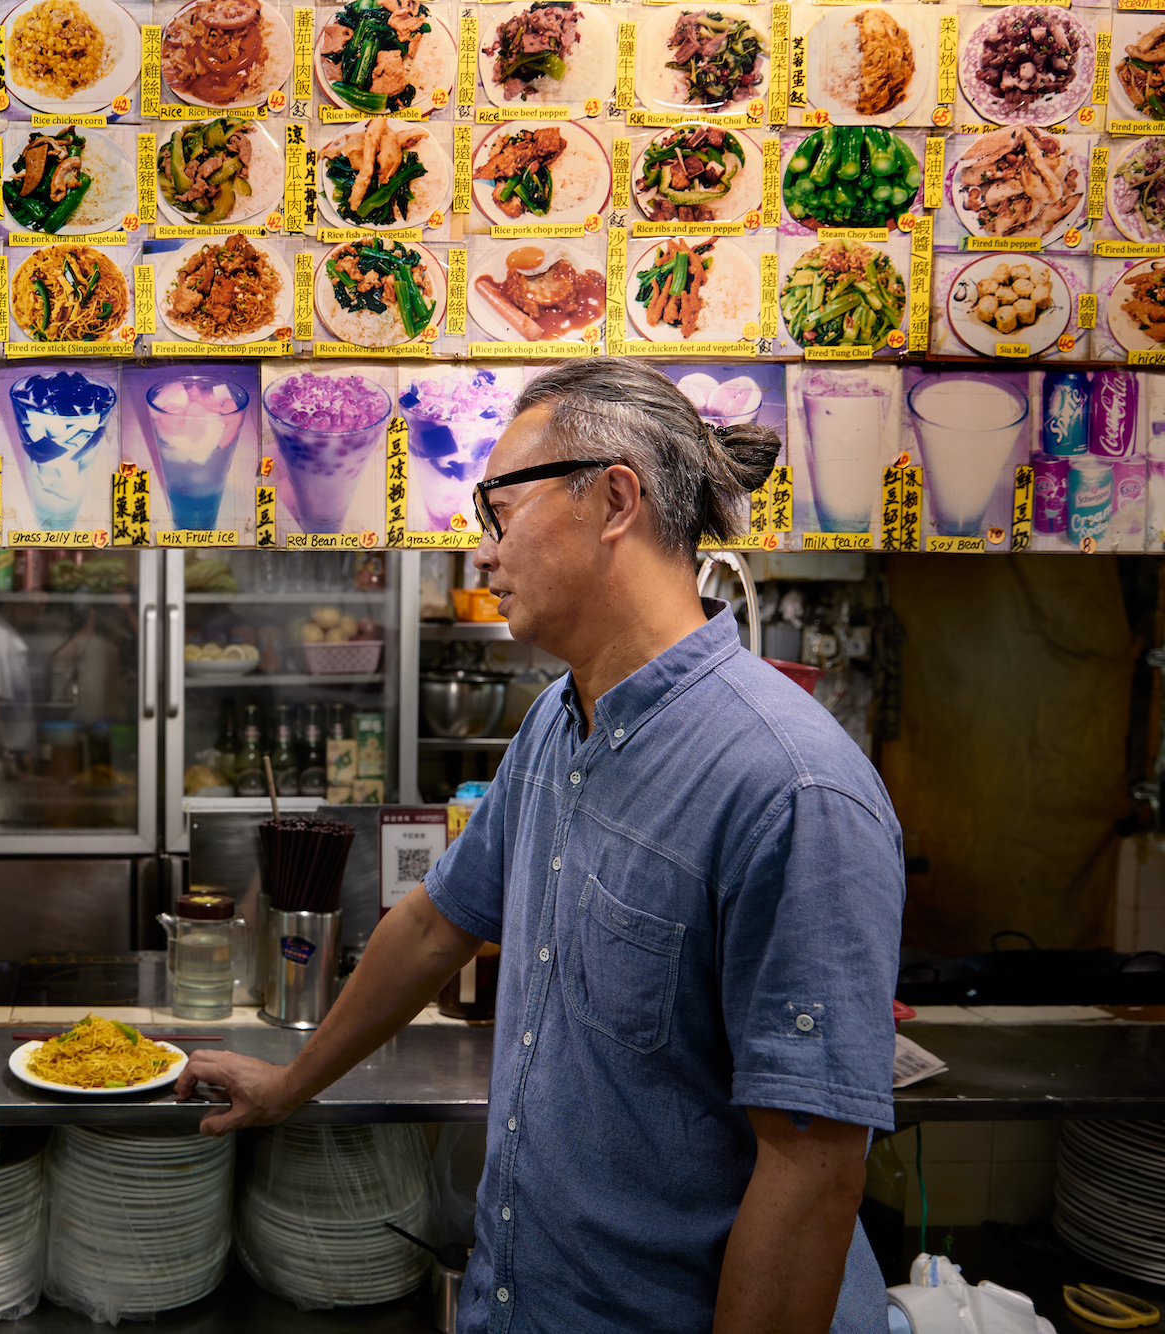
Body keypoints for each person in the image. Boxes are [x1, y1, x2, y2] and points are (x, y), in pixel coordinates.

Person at [177, 358, 904, 1334]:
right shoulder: (559, 722)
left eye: (498, 509)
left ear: (611, 499)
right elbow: (435, 922)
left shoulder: (790, 786)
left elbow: (813, 1169)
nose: (481, 553)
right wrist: (287, 1082)